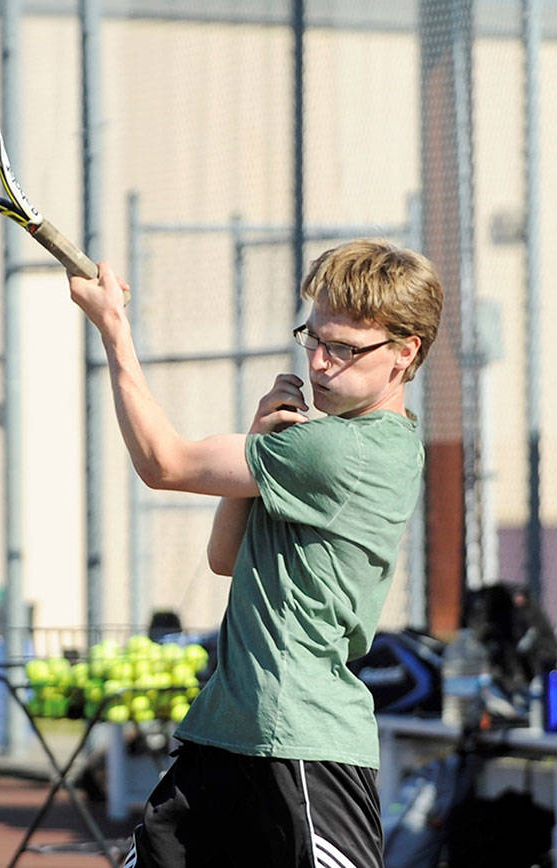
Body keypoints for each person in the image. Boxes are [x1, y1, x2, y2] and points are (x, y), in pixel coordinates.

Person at [67, 238, 443, 868]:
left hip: (300, 741)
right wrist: (259, 436)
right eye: (314, 338)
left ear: (405, 353)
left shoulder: (340, 451)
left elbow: (165, 464)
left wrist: (113, 329)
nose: (321, 363)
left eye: (346, 349)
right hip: (225, 733)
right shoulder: (320, 442)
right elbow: (226, 556)